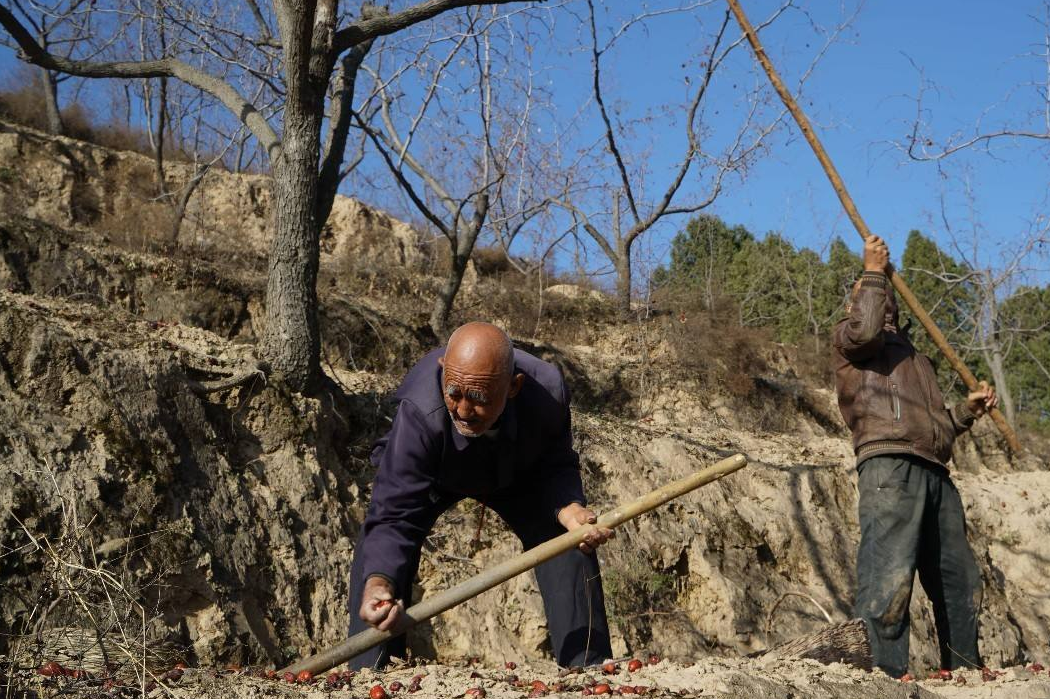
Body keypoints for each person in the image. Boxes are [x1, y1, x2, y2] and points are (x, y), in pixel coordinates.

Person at [346, 321, 614, 669]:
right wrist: (379, 581)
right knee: (379, 559)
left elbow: (556, 464)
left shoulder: (547, 393)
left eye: (478, 398)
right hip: (438, 473)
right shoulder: (420, 411)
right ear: (443, 372)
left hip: (519, 474)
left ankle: (587, 667)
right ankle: (370, 672)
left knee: (568, 540)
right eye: (453, 392)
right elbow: (394, 512)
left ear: (514, 386)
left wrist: (568, 507)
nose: (462, 409)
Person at [832, 235, 999, 679]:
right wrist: (871, 270)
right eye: (868, 294)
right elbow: (866, 328)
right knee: (888, 576)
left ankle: (963, 670)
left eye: (883, 292)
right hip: (889, 467)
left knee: (958, 579)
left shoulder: (916, 359)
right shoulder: (852, 341)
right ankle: (884, 674)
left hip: (934, 471)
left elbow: (935, 428)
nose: (878, 297)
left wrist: (966, 412)